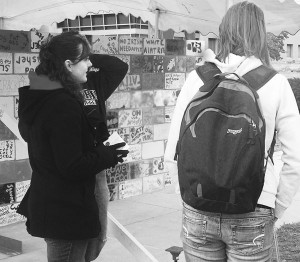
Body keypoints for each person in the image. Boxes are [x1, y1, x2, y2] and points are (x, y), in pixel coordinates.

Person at [164, 2, 300, 261]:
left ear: (224, 30)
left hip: (198, 204)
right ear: (260, 32)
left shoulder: (197, 78)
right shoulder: (276, 83)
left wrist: (186, 198)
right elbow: (295, 158)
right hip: (255, 204)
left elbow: (173, 149)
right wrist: (276, 206)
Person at [17, 31, 128, 262]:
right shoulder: (61, 104)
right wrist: (107, 154)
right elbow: (71, 165)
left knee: (90, 245)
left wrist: (77, 52)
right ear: (68, 64)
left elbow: (118, 66)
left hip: (61, 201)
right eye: (85, 59)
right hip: (65, 207)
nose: (90, 63)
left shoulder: (46, 95)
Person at [82, 51, 128, 260]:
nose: (86, 65)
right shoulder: (55, 87)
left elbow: (119, 67)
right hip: (73, 163)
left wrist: (88, 56)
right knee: (74, 232)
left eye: (85, 60)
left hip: (96, 163)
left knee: (99, 230)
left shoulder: (93, 82)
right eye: (79, 59)